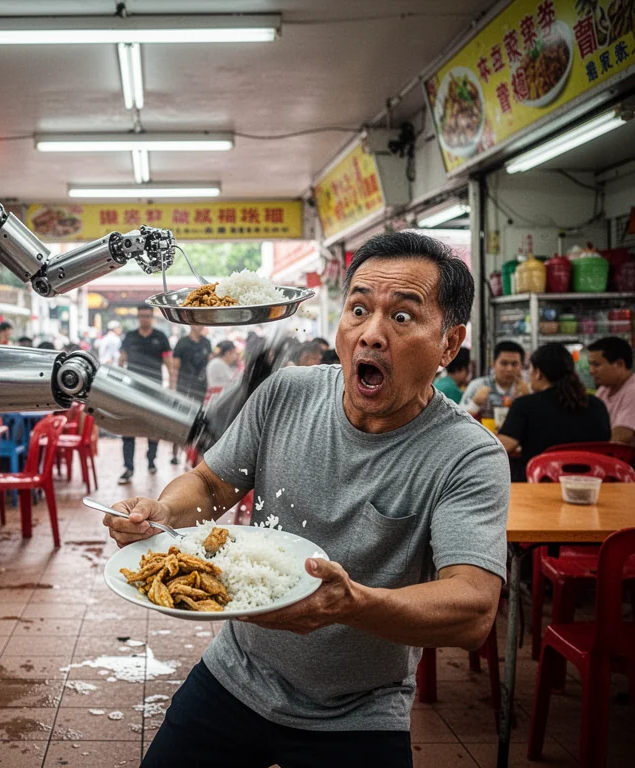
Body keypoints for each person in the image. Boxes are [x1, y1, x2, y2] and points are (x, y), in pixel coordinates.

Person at [104, 231, 507, 767]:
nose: (371, 335)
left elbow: (473, 608)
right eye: (358, 309)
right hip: (236, 677)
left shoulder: (468, 454)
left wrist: (352, 604)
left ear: (449, 345)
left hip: (359, 711)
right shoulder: (286, 393)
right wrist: (164, 510)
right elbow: (210, 486)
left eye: (402, 317)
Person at [497, 343, 611, 481]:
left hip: (540, 485)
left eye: (531, 369)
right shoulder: (597, 405)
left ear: (538, 373)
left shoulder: (525, 405)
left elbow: (503, 446)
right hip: (592, 484)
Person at [119, 307, 172, 483]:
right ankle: (128, 467)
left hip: (153, 390)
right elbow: (122, 361)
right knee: (127, 427)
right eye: (142, 316)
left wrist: (170, 387)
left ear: (152, 317)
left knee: (153, 426)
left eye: (148, 316)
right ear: (138, 317)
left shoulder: (160, 337)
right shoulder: (130, 337)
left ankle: (151, 460)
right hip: (131, 389)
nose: (145, 319)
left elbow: (169, 363)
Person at [170, 325, 212, 464]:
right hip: (184, 387)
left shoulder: (206, 343)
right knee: (179, 419)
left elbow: (209, 365)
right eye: (197, 324)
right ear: (192, 325)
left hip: (200, 388)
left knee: (197, 421)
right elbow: (175, 367)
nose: (200, 326)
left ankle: (194, 454)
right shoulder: (182, 343)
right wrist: (173, 387)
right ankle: (175, 453)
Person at [461, 340, 529, 419]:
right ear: (493, 364)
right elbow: (458, 417)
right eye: (504, 363)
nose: (509, 369)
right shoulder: (478, 385)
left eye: (514, 364)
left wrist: (527, 399)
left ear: (522, 366)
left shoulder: (526, 389)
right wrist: (475, 404)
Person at [587, 336, 635, 446]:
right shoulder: (603, 390)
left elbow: (621, 436)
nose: (591, 371)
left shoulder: (633, 391)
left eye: (596, 365)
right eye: (590, 365)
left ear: (619, 364)